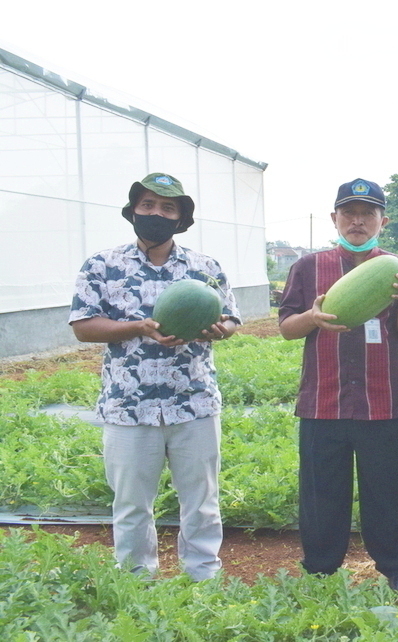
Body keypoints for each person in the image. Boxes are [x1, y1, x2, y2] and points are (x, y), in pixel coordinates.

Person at [69, 172, 240, 581]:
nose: (156, 213)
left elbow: (231, 319)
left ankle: (202, 579)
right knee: (131, 503)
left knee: (202, 501)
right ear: (133, 212)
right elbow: (83, 326)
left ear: (180, 218)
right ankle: (135, 581)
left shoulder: (205, 268)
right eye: (147, 205)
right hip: (129, 405)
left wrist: (219, 329)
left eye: (168, 208)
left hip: (193, 402)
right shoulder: (102, 265)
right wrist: (138, 327)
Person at [278, 178, 398, 596]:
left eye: (368, 214)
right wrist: (313, 318)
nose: (358, 221)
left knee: (388, 490)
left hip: (384, 400)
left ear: (383, 220)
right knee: (322, 494)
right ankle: (321, 571)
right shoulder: (308, 267)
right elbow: (287, 328)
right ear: (335, 218)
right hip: (323, 400)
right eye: (349, 213)